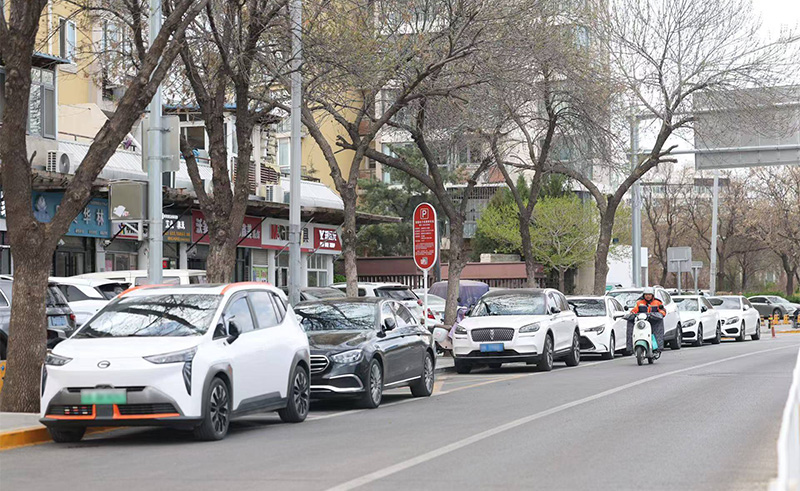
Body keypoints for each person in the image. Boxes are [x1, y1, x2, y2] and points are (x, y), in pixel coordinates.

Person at [626, 287, 666, 353]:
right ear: (643, 295)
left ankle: (657, 347)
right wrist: (632, 313)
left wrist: (660, 314)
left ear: (652, 295)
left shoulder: (657, 302)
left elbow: (662, 311)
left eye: (649, 294)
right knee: (630, 322)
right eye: (646, 294)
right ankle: (631, 346)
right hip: (643, 322)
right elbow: (635, 310)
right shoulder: (639, 303)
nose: (647, 296)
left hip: (654, 321)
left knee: (658, 329)